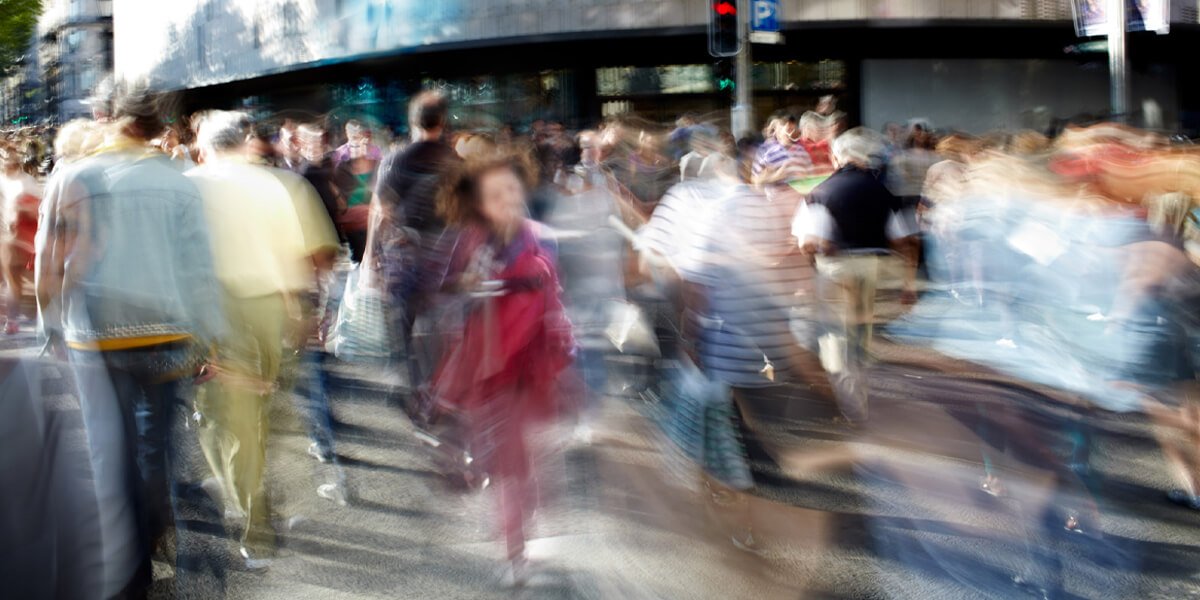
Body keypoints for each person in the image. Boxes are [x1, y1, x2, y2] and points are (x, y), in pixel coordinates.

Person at [36, 84, 229, 598]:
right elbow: (199, 266)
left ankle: (128, 571)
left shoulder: (74, 175)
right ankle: (152, 528)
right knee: (157, 447)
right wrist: (210, 337)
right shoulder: (181, 181)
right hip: (168, 332)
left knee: (108, 454)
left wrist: (48, 322)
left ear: (105, 116)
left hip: (95, 335)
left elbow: (48, 259)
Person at [427, 151, 575, 583]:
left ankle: (526, 524)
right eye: (494, 195)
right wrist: (468, 286)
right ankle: (515, 552)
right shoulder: (471, 241)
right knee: (510, 465)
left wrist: (566, 357)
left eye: (511, 189)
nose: (507, 200)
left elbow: (555, 298)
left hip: (536, 366)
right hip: (490, 371)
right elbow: (445, 291)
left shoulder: (541, 236)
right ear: (478, 204)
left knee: (532, 459)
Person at [186, 110, 311, 569]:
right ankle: (256, 503)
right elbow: (292, 257)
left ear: (206, 144)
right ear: (244, 141)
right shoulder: (273, 184)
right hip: (267, 312)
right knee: (257, 414)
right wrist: (296, 311)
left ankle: (255, 520)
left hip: (215, 313)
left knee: (226, 418)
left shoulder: (191, 185)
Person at [798, 127, 919, 423]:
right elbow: (904, 240)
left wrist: (811, 267)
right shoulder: (885, 191)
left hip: (836, 268)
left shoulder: (820, 191)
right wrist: (909, 282)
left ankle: (849, 403)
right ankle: (859, 393)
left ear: (837, 155)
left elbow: (807, 242)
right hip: (871, 266)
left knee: (836, 336)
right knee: (860, 333)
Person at [373, 91, 460, 399]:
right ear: (443, 121)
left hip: (405, 254)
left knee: (404, 325)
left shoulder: (395, 159)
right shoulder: (456, 162)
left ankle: (412, 386)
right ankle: (439, 390)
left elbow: (383, 212)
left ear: (413, 120)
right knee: (442, 325)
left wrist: (372, 258)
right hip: (446, 255)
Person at [0, 148, 41, 334]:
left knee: (19, 280)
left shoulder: (27, 182)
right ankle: (12, 319)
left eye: (10, 159)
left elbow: (38, 209)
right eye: (4, 159)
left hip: (20, 239)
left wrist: (23, 209)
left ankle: (19, 319)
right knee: (11, 281)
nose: (7, 162)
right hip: (6, 237)